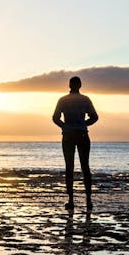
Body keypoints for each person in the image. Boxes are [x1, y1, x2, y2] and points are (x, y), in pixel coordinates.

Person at [51, 75, 98, 210]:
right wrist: (84, 124)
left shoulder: (63, 100)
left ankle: (71, 200)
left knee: (69, 168)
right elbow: (95, 117)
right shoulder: (85, 100)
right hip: (82, 134)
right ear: (80, 85)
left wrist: (64, 126)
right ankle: (88, 200)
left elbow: (55, 117)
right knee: (85, 167)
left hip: (68, 135)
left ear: (69, 85)